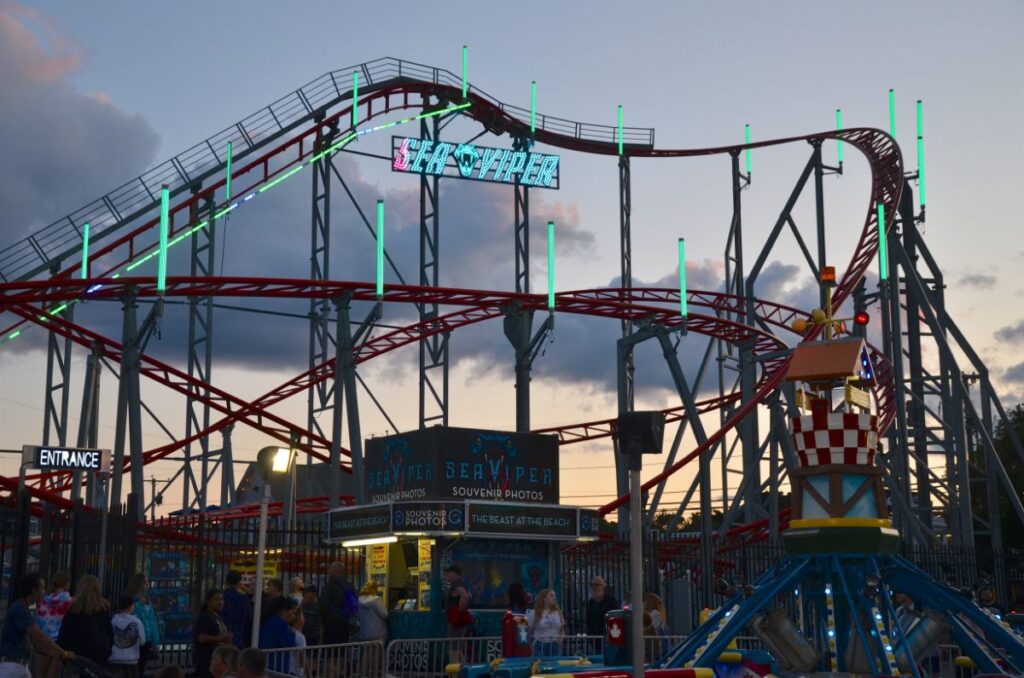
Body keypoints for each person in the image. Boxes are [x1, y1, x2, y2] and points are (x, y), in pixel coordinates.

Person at [0, 572, 73, 677]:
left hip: (20, 667)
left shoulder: (25, 609)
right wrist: (63, 653)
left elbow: (35, 643)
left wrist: (58, 656)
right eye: (42, 588)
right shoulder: (19, 609)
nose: (44, 592)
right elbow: (38, 636)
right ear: (33, 591)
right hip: (11, 668)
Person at [58, 574, 113, 667]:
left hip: (79, 654)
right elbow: (109, 632)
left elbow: (65, 633)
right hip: (100, 652)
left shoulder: (74, 608)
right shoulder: (104, 607)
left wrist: (63, 653)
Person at [34, 571, 73, 678]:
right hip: (59, 643)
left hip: (43, 641)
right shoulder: (69, 602)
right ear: (67, 584)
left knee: (40, 674)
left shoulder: (43, 600)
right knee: (54, 675)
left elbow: (37, 620)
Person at [125, 572, 162, 676]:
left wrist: (155, 641)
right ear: (138, 584)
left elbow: (152, 621)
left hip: (147, 639)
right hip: (135, 639)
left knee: (141, 668)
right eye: (145, 582)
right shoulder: (131, 600)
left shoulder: (146, 600)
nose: (147, 584)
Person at [194, 589, 233, 678]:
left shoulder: (217, 616)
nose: (220, 602)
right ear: (208, 602)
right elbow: (202, 638)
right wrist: (222, 638)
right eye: (216, 600)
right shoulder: (205, 617)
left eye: (222, 600)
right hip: (207, 660)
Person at [258, 598, 297, 675]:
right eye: (293, 613)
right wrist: (293, 634)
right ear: (284, 611)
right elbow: (289, 645)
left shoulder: (269, 621)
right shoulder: (281, 625)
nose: (294, 617)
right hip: (278, 665)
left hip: (267, 662)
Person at [109, 595, 146, 678]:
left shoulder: (112, 621)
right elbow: (142, 641)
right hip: (132, 660)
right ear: (131, 607)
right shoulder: (137, 622)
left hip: (115, 659)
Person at [320, 563, 356, 645]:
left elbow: (323, 605)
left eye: (330, 569)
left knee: (330, 651)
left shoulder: (330, 586)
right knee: (342, 650)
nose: (328, 571)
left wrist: (324, 620)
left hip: (332, 623)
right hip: (346, 622)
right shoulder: (350, 586)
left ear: (336, 571)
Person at [357, 581, 388, 676]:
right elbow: (384, 614)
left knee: (366, 654)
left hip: (365, 632)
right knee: (376, 654)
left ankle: (362, 674)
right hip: (377, 632)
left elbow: (357, 615)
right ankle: (375, 674)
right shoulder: (376, 600)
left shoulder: (359, 600)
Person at [444, 565, 471, 664]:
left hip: (455, 622)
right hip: (456, 622)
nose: (446, 575)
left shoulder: (457, 584)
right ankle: (463, 671)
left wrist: (458, 612)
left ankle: (454, 672)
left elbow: (464, 596)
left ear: (454, 574)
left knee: (454, 648)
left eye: (448, 573)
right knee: (458, 648)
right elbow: (467, 596)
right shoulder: (460, 584)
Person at [526, 588, 564, 657]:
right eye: (551, 595)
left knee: (555, 666)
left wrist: (560, 639)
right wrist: (531, 645)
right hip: (539, 644)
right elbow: (530, 631)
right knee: (540, 666)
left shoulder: (557, 612)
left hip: (555, 645)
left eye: (555, 596)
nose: (554, 598)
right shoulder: (534, 613)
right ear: (544, 599)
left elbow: (562, 629)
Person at [222, 572, 253, 650]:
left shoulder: (221, 598)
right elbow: (248, 620)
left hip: (222, 638)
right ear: (239, 582)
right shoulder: (245, 599)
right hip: (240, 638)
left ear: (226, 581)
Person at [642, 593, 670, 660]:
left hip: (653, 644)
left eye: (645, 602)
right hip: (656, 644)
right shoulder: (660, 613)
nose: (644, 604)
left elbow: (650, 627)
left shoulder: (654, 614)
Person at [288, 610, 306, 677]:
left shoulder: (287, 631)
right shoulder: (300, 637)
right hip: (295, 671)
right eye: (302, 617)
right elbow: (302, 658)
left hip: (288, 668)